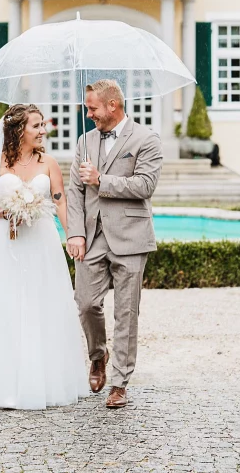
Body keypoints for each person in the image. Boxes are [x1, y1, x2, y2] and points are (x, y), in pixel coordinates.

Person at [0, 104, 89, 409]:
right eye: (36, 126)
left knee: (42, 304)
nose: (43, 131)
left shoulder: (49, 163)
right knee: (5, 305)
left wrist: (73, 235)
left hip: (41, 244)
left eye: (43, 125)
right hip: (4, 246)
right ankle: (2, 384)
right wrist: (8, 211)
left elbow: (60, 201)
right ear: (18, 130)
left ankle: (44, 381)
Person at [66, 79, 163, 408]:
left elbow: (145, 185)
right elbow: (74, 192)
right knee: (85, 303)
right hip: (92, 238)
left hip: (131, 238)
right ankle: (98, 355)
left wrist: (101, 180)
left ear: (113, 105)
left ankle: (119, 383)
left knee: (126, 313)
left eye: (92, 108)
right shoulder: (84, 141)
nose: (88, 114)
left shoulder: (146, 139)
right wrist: (75, 233)